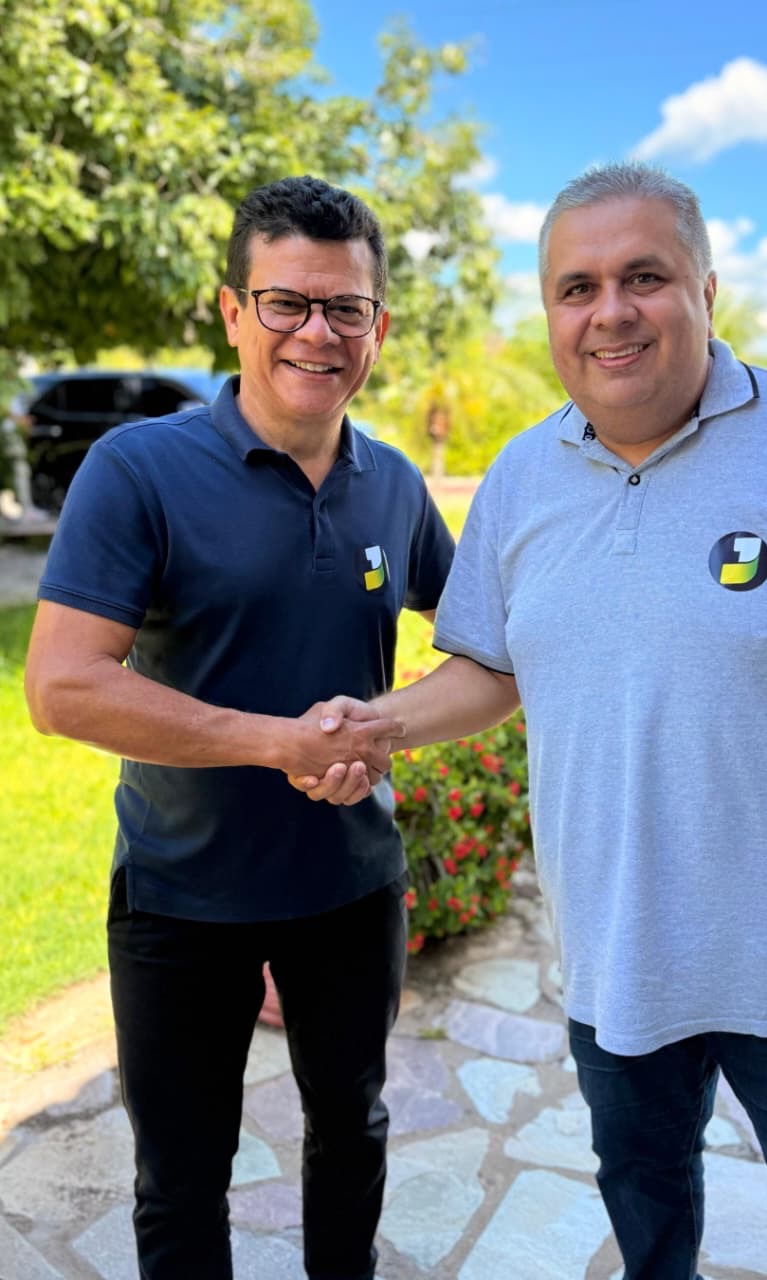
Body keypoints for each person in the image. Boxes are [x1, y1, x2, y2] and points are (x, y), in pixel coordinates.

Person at [296, 163, 767, 1278]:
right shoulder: (522, 477)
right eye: (577, 288)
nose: (609, 312)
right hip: (619, 954)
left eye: (644, 277)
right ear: (550, 312)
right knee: (647, 1210)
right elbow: (491, 667)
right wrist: (377, 724)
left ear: (705, 291)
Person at [24, 175, 454, 1280]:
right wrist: (278, 741)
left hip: (351, 885)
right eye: (285, 302)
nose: (318, 332)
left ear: (377, 325)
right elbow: (62, 687)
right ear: (231, 311)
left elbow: (485, 642)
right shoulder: (140, 469)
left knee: (352, 1130)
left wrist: (385, 727)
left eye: (345, 307)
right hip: (183, 893)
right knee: (181, 1177)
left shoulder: (394, 486)